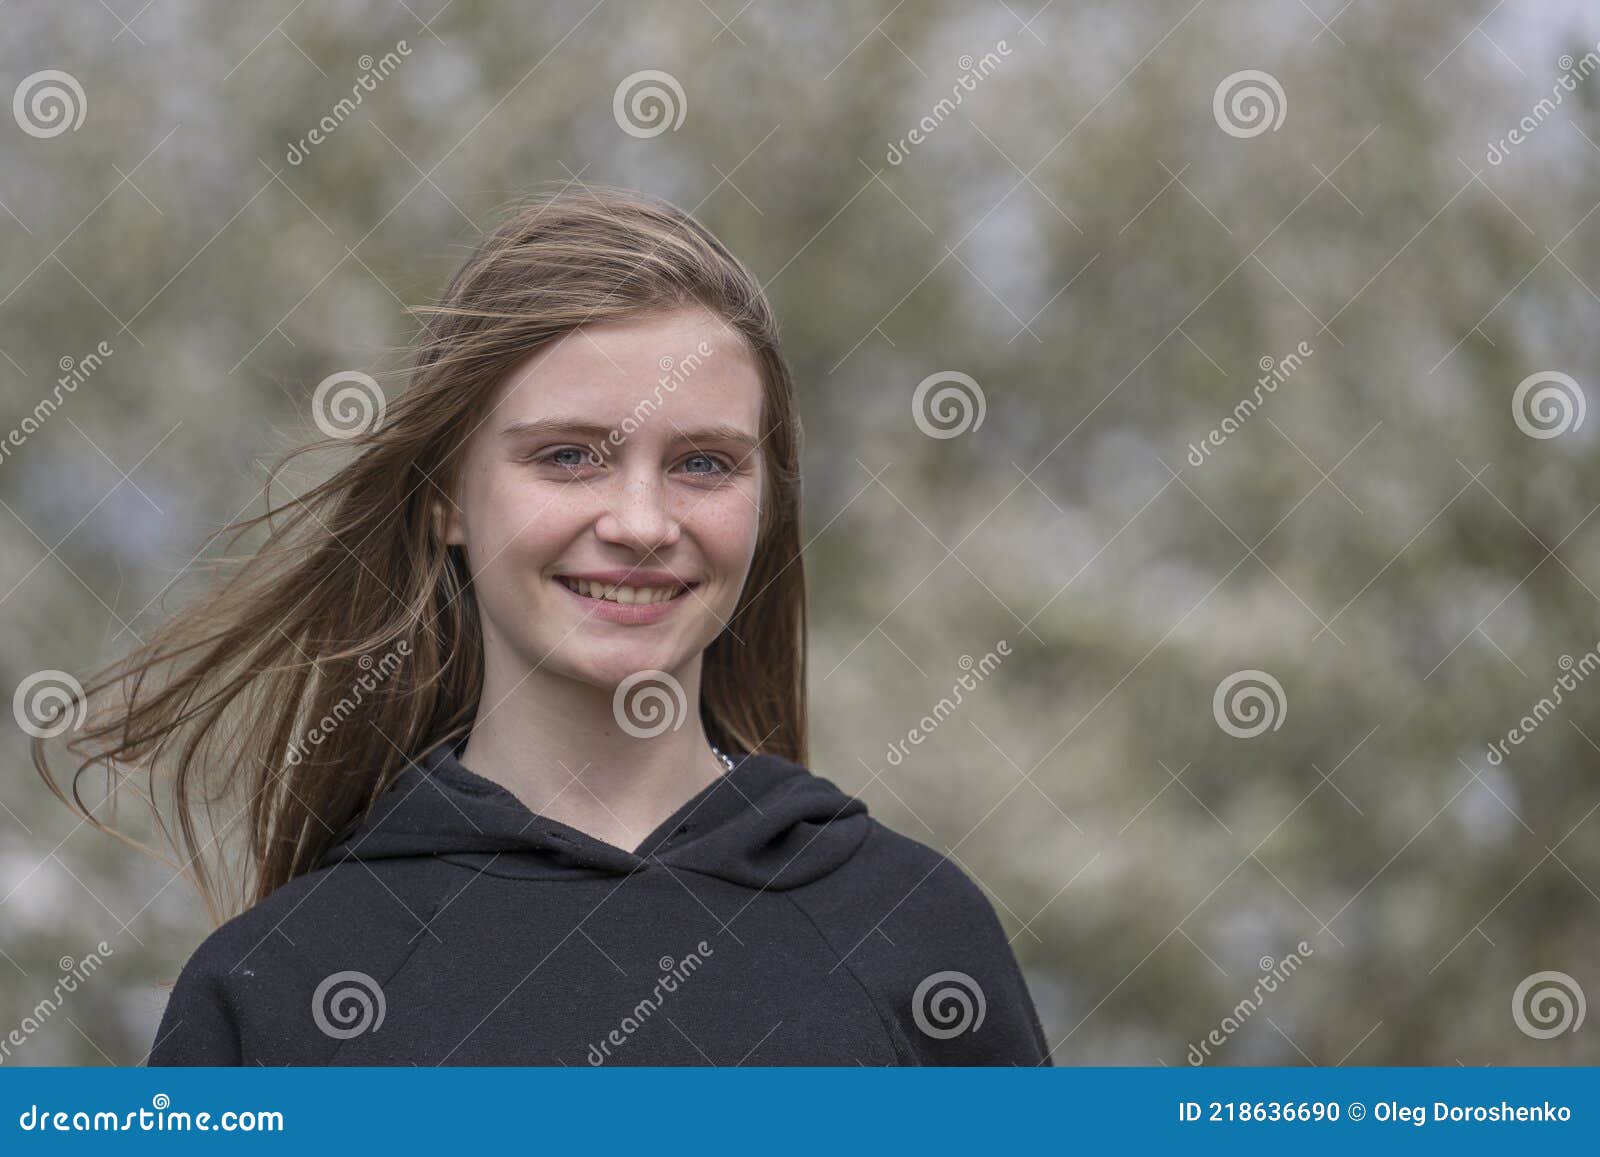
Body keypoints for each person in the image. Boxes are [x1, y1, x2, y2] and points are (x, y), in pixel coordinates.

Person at [35, 185, 1051, 1066]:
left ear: (764, 504)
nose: (642, 523)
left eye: (703, 463)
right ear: (445, 498)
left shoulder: (911, 932)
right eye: (567, 456)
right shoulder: (280, 986)